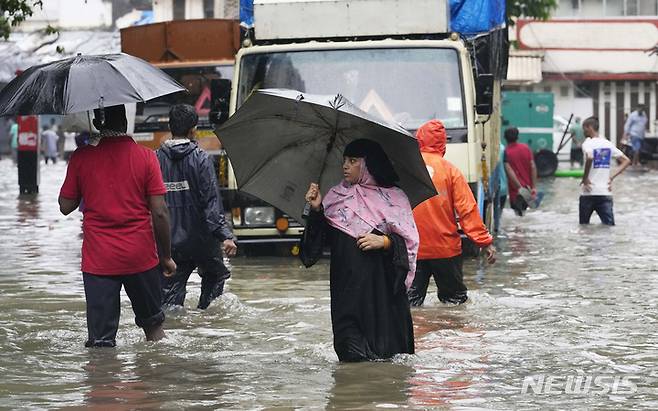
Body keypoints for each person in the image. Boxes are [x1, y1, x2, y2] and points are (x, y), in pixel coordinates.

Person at [58, 104, 176, 347]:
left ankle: (102, 382)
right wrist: (166, 257)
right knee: (154, 331)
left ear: (99, 124)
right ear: (125, 123)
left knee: (100, 342)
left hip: (99, 260)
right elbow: (160, 212)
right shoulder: (146, 156)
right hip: (140, 256)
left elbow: (65, 206)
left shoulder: (81, 157)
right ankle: (158, 380)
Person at [300, 139, 418, 362]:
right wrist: (316, 210)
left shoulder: (394, 198)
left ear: (368, 165)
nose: (345, 165)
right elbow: (314, 250)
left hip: (382, 297)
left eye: (352, 161)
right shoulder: (335, 197)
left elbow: (409, 245)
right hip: (346, 295)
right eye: (344, 160)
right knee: (351, 359)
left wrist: (384, 242)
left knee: (387, 362)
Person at [407, 120, 496, 307]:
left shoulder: (406, 168)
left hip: (412, 250)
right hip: (446, 250)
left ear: (418, 139)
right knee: (455, 304)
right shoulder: (450, 171)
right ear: (442, 144)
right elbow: (468, 211)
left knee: (409, 305)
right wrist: (485, 242)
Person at [157, 104, 237, 310]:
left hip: (170, 242)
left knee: (170, 301)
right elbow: (211, 203)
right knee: (215, 276)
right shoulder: (201, 158)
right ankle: (206, 322)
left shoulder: (156, 159)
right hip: (202, 240)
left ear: (170, 127)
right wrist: (225, 235)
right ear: (193, 129)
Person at [579, 116, 631, 225]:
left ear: (590, 127)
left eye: (584, 128)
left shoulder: (588, 143)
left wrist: (585, 178)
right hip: (604, 192)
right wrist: (611, 177)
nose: (583, 131)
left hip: (588, 193)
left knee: (584, 228)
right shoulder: (608, 144)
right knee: (609, 227)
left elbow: (589, 157)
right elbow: (626, 161)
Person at [503, 127, 537, 216]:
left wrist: (519, 188)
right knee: (524, 214)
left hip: (516, 192)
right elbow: (533, 167)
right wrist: (533, 187)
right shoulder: (526, 148)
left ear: (505, 138)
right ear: (518, 137)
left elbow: (509, 172)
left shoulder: (506, 152)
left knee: (518, 218)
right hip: (528, 190)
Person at [490, 141, 508, 234]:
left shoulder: (484, 147)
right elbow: (507, 167)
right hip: (503, 186)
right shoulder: (502, 148)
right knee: (498, 216)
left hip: (489, 187)